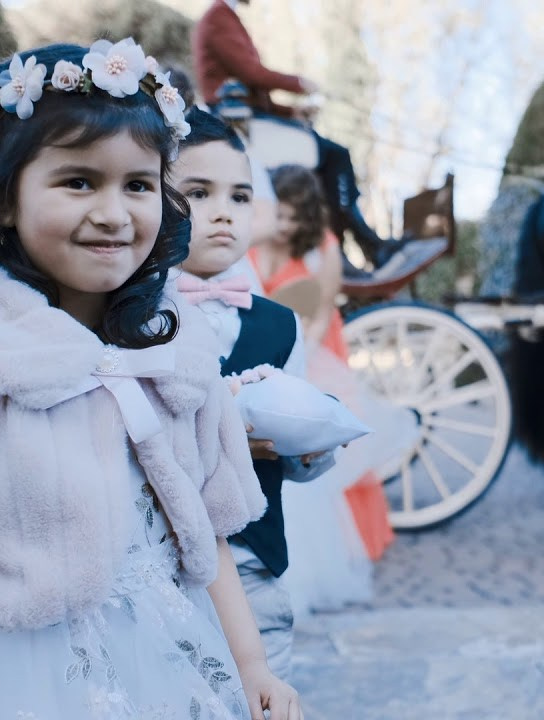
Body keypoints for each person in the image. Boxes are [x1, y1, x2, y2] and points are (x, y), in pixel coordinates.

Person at [0, 41, 301, 720]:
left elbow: (210, 536)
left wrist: (252, 664)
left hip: (174, 663)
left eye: (137, 184)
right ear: (4, 198)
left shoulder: (175, 349)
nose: (114, 213)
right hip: (31, 680)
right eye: (79, 181)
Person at [170, 108, 326, 679]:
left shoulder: (278, 325)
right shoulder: (125, 317)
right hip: (159, 570)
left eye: (239, 198)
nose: (222, 214)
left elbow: (302, 457)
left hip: (255, 564)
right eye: (198, 193)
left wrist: (308, 445)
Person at [250, 165, 418, 613]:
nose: (284, 227)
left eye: (293, 218)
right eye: (278, 216)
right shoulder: (254, 238)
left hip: (314, 343)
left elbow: (321, 311)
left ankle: (340, 543)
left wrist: (296, 355)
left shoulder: (321, 248)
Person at [192, 0, 401, 268]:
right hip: (241, 121)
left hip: (250, 115)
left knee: (329, 155)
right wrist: (299, 83)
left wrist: (292, 112)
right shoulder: (218, 16)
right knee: (336, 156)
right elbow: (251, 74)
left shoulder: (223, 16)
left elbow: (253, 91)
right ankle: (357, 248)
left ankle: (351, 246)